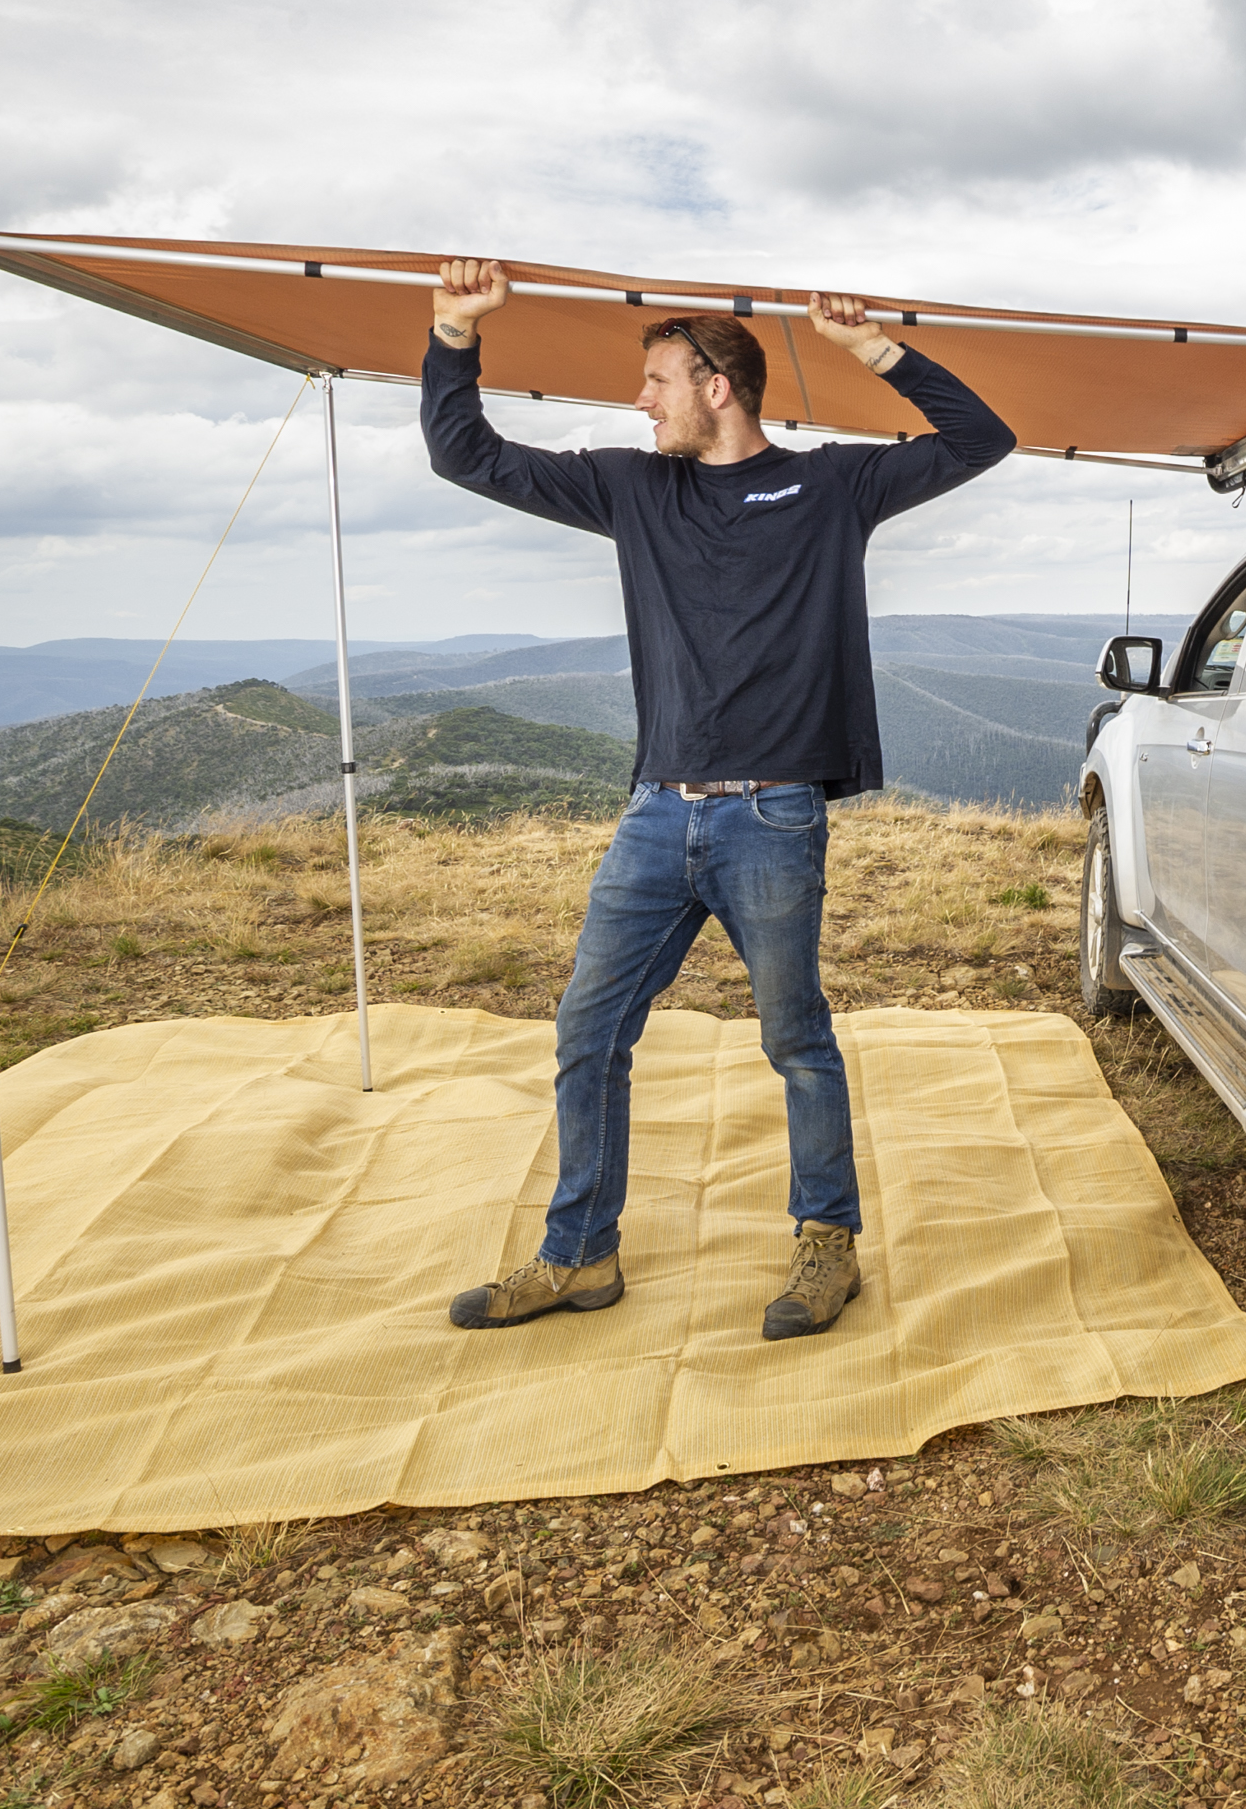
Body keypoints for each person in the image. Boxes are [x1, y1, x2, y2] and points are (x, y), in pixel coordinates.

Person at [418, 259, 1015, 1340]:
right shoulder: (632, 488)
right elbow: (465, 453)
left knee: (795, 1040)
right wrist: (455, 331)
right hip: (655, 814)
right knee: (586, 1032)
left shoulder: (830, 487)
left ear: (717, 386)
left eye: (656, 381)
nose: (639, 401)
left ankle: (826, 1247)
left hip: (773, 816)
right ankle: (579, 1256)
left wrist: (869, 349)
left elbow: (982, 439)